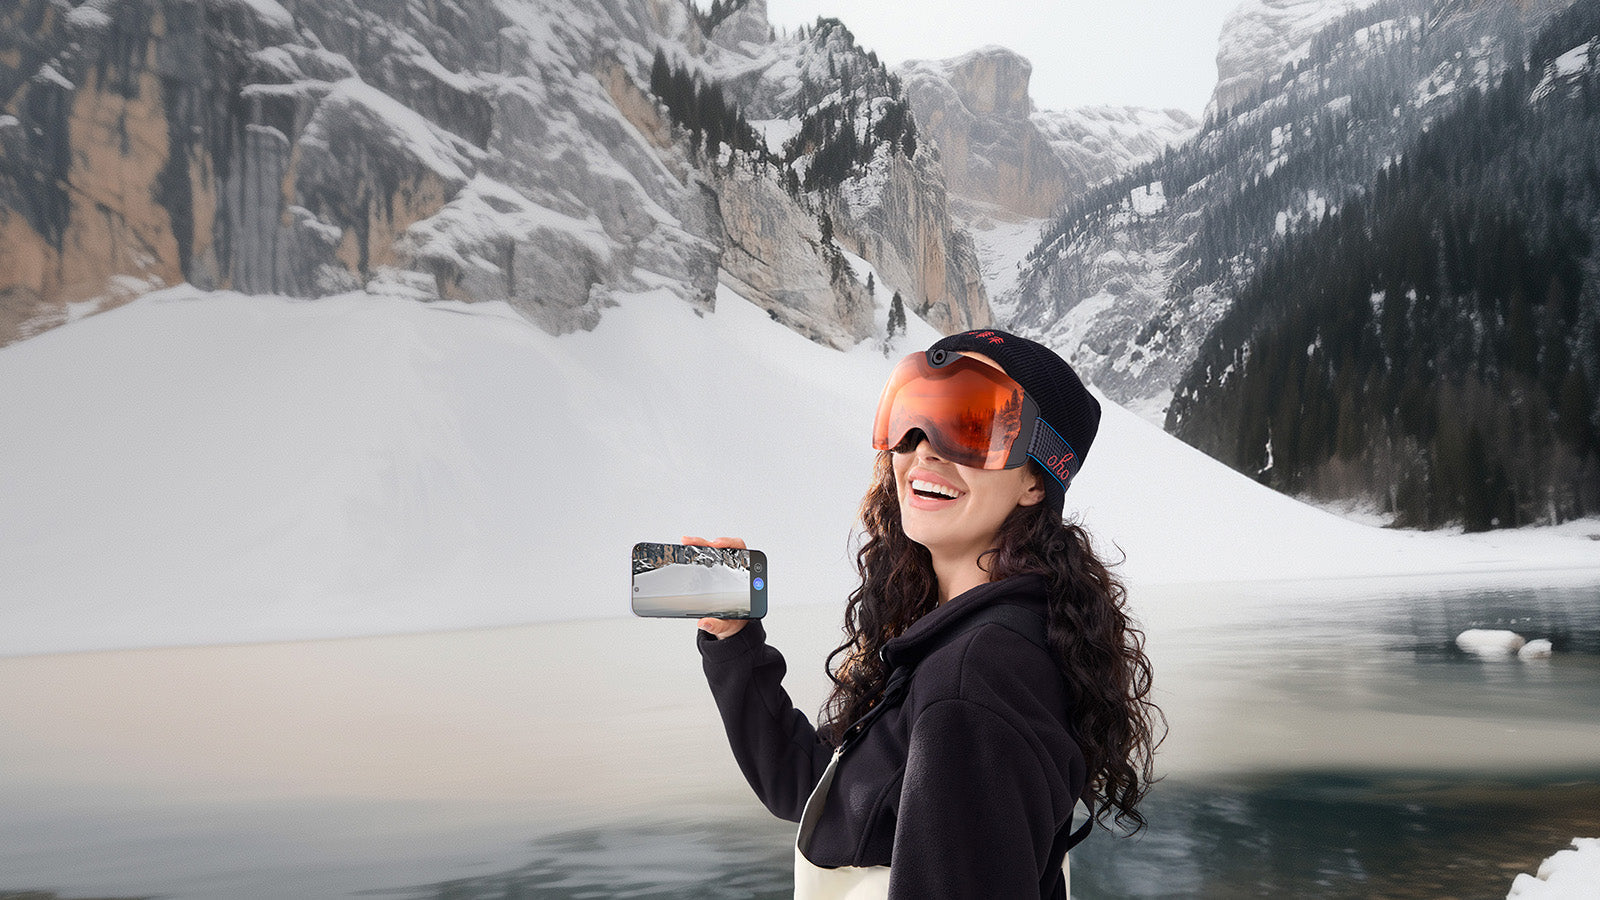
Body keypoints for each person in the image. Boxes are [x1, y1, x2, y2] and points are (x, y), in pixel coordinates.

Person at [690, 328, 1161, 899]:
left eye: (970, 425)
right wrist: (735, 641)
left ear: (1036, 479)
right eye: (910, 417)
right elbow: (816, 790)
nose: (923, 448)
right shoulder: (963, 642)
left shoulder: (974, 678)